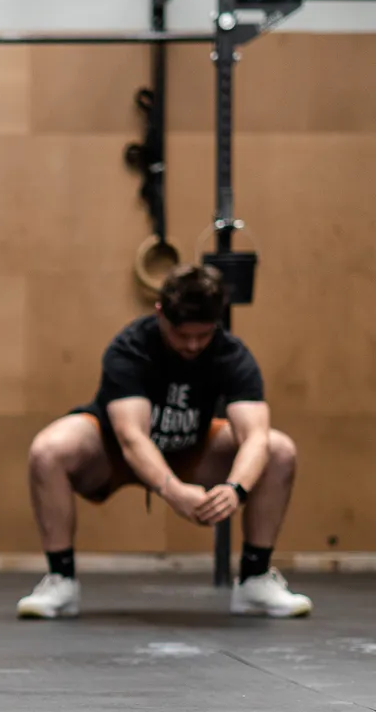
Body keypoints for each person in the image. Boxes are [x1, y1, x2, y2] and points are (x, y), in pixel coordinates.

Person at [16, 263, 311, 620]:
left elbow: (255, 438)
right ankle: (61, 580)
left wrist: (236, 490)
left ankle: (254, 579)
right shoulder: (130, 348)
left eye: (203, 335)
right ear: (160, 313)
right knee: (48, 450)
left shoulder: (231, 354)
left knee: (279, 449)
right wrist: (173, 492)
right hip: (114, 453)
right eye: (182, 334)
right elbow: (132, 438)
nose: (192, 345)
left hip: (191, 450)